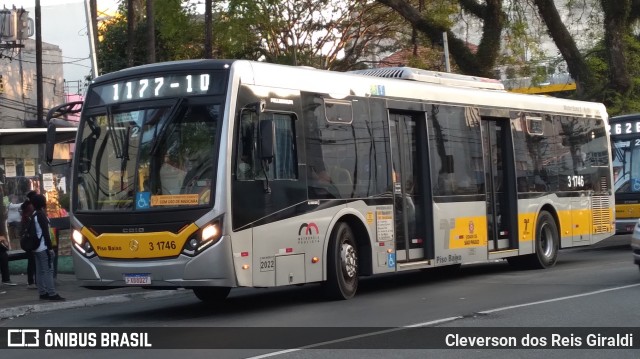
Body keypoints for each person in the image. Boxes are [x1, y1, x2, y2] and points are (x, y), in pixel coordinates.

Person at [30, 194, 64, 300]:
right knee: (49, 270)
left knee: (39, 271)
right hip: (43, 247)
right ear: (42, 203)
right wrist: (50, 248)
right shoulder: (41, 215)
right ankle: (52, 293)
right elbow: (45, 232)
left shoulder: (34, 214)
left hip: (36, 248)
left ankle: (42, 292)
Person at [21, 191, 37, 289]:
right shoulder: (31, 208)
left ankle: (31, 281)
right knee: (33, 261)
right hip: (31, 238)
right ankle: (32, 281)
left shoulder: (27, 207)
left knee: (31, 260)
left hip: (27, 239)